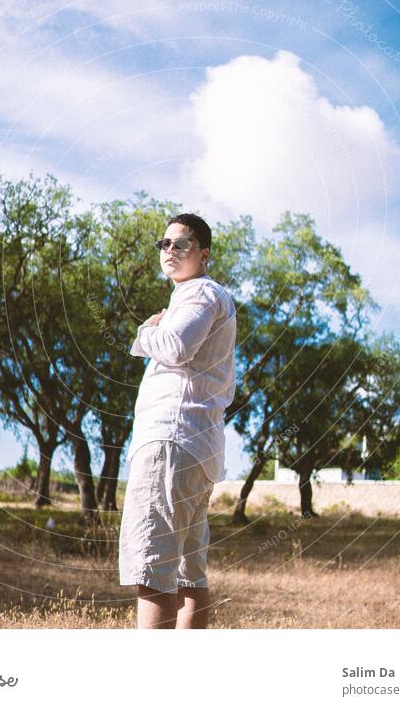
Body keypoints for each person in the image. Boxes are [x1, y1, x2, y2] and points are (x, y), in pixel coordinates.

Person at [119, 213, 237, 628]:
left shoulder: (199, 294)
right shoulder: (199, 297)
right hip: (197, 447)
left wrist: (144, 333)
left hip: (171, 440)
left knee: (153, 570)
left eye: (181, 244)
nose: (169, 251)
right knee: (189, 572)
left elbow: (175, 345)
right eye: (164, 244)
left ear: (203, 254)